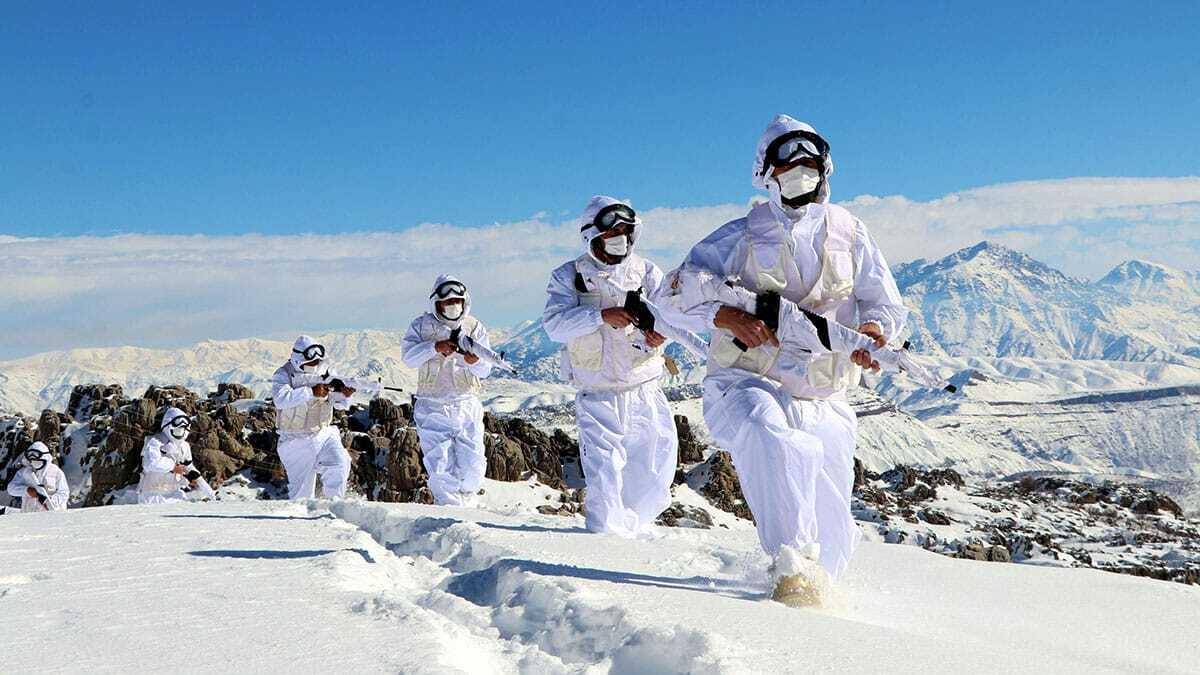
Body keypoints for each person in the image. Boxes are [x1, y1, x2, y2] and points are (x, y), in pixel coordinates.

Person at [653, 115, 908, 606]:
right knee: (770, 436)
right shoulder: (739, 237)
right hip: (748, 380)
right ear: (765, 173)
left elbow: (885, 303)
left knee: (832, 531)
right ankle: (791, 574)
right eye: (788, 165)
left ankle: (820, 605)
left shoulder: (851, 233)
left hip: (824, 394)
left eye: (810, 164)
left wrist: (875, 331)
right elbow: (669, 298)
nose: (800, 173)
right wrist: (725, 315)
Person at [543, 195, 679, 538]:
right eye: (611, 232)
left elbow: (671, 316)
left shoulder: (647, 272)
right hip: (599, 394)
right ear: (592, 235)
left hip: (645, 389)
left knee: (652, 473)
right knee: (605, 474)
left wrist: (659, 335)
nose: (619, 238)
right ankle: (606, 541)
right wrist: (601, 316)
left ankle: (637, 534)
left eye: (624, 231)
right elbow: (554, 325)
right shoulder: (569, 277)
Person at [402, 275, 494, 506]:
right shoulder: (420, 326)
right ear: (437, 302)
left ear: (464, 302)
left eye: (457, 300)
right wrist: (434, 347)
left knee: (474, 467)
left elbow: (486, 369)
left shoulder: (474, 327)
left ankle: (467, 505)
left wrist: (475, 362)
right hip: (432, 406)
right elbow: (409, 358)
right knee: (441, 467)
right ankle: (450, 513)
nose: (453, 305)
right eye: (447, 301)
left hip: (466, 404)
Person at [271, 335, 355, 499]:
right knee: (302, 496)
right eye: (311, 361)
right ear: (298, 359)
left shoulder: (328, 372)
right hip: (294, 440)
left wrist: (345, 395)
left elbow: (339, 405)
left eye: (318, 361)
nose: (315, 364)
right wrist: (311, 392)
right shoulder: (283, 374)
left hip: (323, 434)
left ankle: (335, 506)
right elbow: (280, 399)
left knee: (339, 464)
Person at [138, 407, 202, 505]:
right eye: (177, 430)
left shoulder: (184, 446)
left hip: (176, 496)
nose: (180, 432)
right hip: (152, 496)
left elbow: (188, 467)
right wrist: (173, 467)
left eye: (183, 430)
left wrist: (193, 477)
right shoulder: (155, 442)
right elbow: (150, 463)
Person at [5, 442, 69, 512]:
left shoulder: (56, 472)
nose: (35, 462)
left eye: (38, 461)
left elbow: (64, 493)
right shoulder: (24, 472)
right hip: (29, 515)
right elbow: (11, 488)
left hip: (52, 514)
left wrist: (50, 502)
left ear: (45, 458)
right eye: (32, 461)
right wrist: (26, 490)